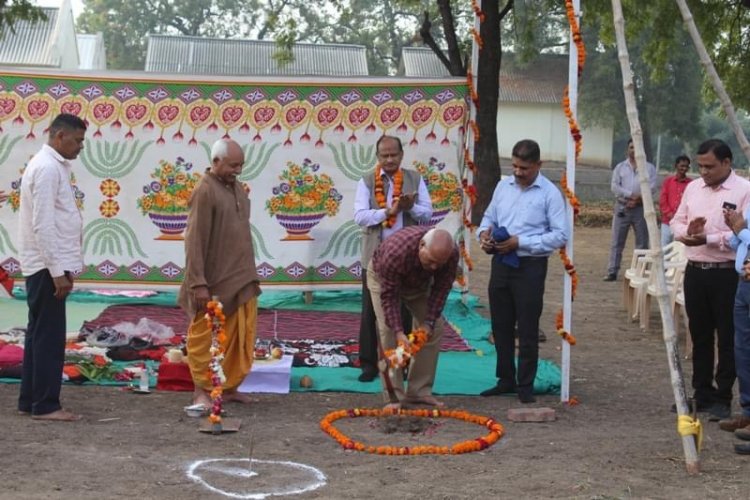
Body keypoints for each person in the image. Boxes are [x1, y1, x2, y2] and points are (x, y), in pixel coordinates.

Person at [477, 139, 569, 404]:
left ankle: (525, 385)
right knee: (500, 324)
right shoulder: (502, 186)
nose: (518, 172)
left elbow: (560, 235)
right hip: (501, 262)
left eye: (524, 168)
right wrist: (483, 235)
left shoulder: (550, 193)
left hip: (530, 266)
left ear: (538, 165)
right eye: (515, 166)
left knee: (527, 327)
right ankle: (505, 378)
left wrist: (522, 242)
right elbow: (488, 219)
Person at [178, 138, 262, 410]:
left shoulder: (236, 188)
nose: (238, 170)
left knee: (239, 339)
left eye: (241, 165)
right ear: (215, 162)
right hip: (212, 284)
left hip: (242, 278)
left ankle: (228, 389)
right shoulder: (205, 191)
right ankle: (200, 392)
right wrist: (198, 283)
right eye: (233, 165)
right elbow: (194, 241)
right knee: (206, 340)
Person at [670, 138, 750, 421]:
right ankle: (701, 392)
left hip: (727, 274)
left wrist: (710, 238)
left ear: (727, 163)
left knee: (727, 337)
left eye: (710, 166)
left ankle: (723, 395)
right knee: (699, 334)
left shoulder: (744, 191)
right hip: (696, 270)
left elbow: (742, 234)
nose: (703, 172)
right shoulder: (693, 188)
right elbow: (675, 221)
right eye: (700, 166)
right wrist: (686, 232)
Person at [17, 113, 87, 421]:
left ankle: (30, 399)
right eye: (78, 140)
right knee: (48, 336)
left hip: (46, 264)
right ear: (59, 136)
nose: (80, 147)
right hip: (48, 267)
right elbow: (43, 225)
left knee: (38, 334)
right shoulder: (46, 169)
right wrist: (57, 271)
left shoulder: (51, 166)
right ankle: (46, 404)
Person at [353, 135, 432, 382]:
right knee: (370, 312)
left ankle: (401, 362)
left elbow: (427, 214)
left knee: (404, 311)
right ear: (377, 157)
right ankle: (368, 364)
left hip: (406, 259)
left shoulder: (414, 179)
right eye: (384, 155)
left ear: (401, 155)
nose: (389, 159)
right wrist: (388, 212)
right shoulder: (367, 181)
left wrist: (410, 208)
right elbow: (359, 216)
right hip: (375, 258)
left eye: (393, 155)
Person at [367, 225, 458, 410]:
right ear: (421, 245)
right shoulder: (396, 252)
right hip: (383, 281)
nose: (434, 267)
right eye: (431, 261)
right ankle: (394, 397)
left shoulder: (449, 254)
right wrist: (399, 331)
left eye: (438, 264)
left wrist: (428, 323)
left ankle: (419, 392)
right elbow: (389, 296)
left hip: (419, 285)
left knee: (434, 329)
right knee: (388, 332)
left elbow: (441, 289)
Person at [603, 139, 657, 281]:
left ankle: (641, 272)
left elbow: (651, 187)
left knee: (642, 242)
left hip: (641, 209)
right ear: (627, 149)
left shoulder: (649, 168)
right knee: (617, 241)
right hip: (622, 207)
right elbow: (614, 186)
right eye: (631, 147)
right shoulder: (620, 167)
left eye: (637, 147)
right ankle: (612, 271)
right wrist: (630, 196)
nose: (634, 150)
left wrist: (638, 199)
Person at [724, 206, 750, 454]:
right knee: (742, 350)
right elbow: (737, 244)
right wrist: (734, 229)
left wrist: (742, 231)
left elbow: (746, 236)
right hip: (744, 282)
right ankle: (748, 412)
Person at [659, 155, 692, 248]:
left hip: (682, 223)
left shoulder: (691, 184)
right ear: (676, 166)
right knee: (665, 248)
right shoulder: (668, 181)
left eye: (686, 166)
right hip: (667, 221)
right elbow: (663, 200)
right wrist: (669, 214)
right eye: (682, 166)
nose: (684, 168)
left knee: (680, 248)